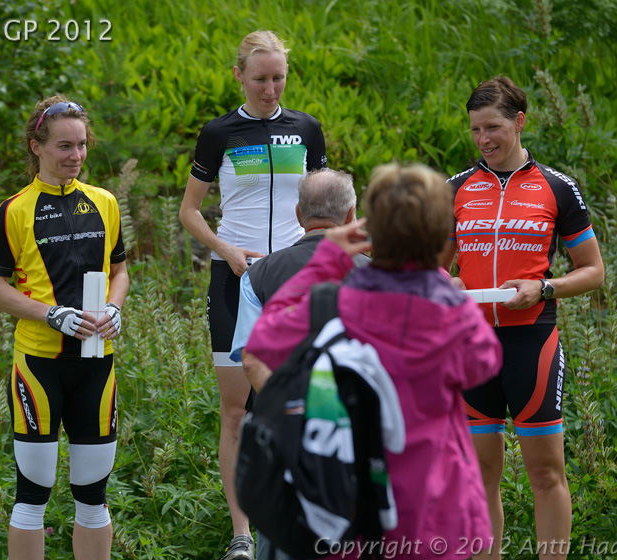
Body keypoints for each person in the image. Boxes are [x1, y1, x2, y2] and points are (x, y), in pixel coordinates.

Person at [247, 163, 502, 559]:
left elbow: (262, 342)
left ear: (367, 226)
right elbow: (485, 361)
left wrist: (326, 260)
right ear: (440, 236)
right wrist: (436, 278)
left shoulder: (335, 303)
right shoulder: (451, 314)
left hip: (354, 513)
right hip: (432, 516)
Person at [178, 29, 327, 560]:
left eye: (278, 78)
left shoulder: (306, 129)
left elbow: (325, 206)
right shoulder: (219, 133)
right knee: (237, 411)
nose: (270, 89)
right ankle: (242, 535)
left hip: (293, 279)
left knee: (304, 401)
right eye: (260, 78)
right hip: (234, 278)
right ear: (238, 75)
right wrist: (226, 249)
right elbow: (189, 211)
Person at [445, 75, 605, 560]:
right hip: (471, 344)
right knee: (479, 473)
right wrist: (446, 285)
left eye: (492, 127)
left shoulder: (556, 187)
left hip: (531, 341)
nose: (483, 139)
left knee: (545, 472)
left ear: (519, 121)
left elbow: (593, 271)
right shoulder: (456, 189)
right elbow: (430, 271)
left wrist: (544, 288)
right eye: (475, 129)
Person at [0, 95, 129, 560]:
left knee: (93, 495)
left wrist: (114, 308)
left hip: (96, 363)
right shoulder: (14, 210)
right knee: (33, 495)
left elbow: (120, 271)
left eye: (82, 145)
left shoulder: (104, 202)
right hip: (39, 364)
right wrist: (51, 314)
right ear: (37, 147)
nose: (76, 155)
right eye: (65, 146)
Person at [229, 168, 368, 394]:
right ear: (351, 215)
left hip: (278, 406)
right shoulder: (376, 274)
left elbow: (251, 362)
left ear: (298, 214)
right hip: (354, 406)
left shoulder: (257, 275)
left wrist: (283, 410)